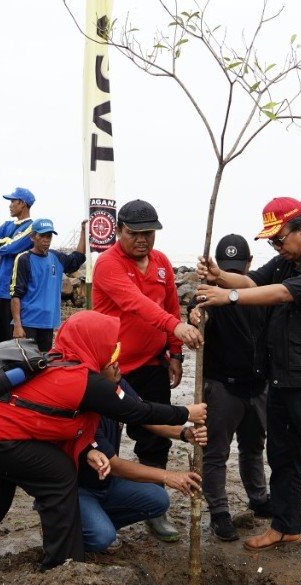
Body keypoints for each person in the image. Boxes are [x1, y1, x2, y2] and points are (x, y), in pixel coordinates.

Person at [0, 311, 207, 585]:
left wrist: (88, 447)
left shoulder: (60, 360)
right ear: (93, 345)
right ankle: (64, 568)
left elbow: (52, 418)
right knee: (58, 475)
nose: (115, 356)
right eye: (111, 349)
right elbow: (138, 413)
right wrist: (186, 413)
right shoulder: (84, 380)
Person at [195, 197, 301, 579]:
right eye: (270, 242)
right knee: (282, 457)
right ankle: (285, 526)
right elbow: (252, 281)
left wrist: (228, 296)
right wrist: (220, 276)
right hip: (281, 378)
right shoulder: (287, 261)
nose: (276, 246)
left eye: (280, 238)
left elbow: (281, 293)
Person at [91, 199, 203, 542]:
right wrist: (177, 325)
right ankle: (97, 498)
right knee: (103, 436)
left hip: (153, 364)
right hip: (113, 367)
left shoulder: (161, 262)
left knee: (155, 436)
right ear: (119, 231)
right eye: (134, 233)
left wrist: (175, 353)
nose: (142, 239)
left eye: (149, 233)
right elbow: (134, 304)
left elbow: (169, 303)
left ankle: (156, 507)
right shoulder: (107, 265)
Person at [187, 234, 271, 542]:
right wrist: (194, 314)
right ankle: (219, 512)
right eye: (225, 267)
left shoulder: (259, 292)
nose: (231, 273)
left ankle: (259, 498)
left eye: (239, 266)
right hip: (222, 387)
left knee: (253, 447)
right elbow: (194, 311)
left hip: (257, 386)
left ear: (249, 264)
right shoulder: (207, 295)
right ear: (216, 266)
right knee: (215, 452)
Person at [78, 372, 206, 553]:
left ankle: (99, 523)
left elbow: (144, 416)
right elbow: (116, 467)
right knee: (101, 537)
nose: (117, 364)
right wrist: (167, 476)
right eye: (110, 360)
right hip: (80, 489)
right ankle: (77, 532)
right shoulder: (86, 401)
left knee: (158, 499)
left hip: (106, 483)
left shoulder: (117, 383)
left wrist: (184, 433)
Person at [10, 219, 86, 352]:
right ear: (32, 237)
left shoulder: (57, 257)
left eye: (49, 236)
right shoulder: (23, 259)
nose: (46, 239)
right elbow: (16, 295)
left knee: (44, 363)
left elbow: (77, 258)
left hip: (48, 323)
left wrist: (83, 232)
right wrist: (17, 325)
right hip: (28, 323)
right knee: (27, 364)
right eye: (42, 235)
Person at [0, 187, 35, 351]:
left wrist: (2, 243)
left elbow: (9, 249)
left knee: (9, 340)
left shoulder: (32, 228)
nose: (10, 205)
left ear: (23, 204)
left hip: (12, 292)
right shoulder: (7, 225)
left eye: (13, 201)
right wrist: (6, 240)